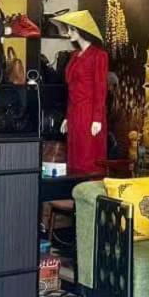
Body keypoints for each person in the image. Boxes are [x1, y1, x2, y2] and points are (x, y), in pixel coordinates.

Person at [52, 11, 108, 176]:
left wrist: (97, 119)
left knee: (88, 155)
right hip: (75, 112)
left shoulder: (99, 55)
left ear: (82, 31)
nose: (68, 33)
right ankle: (75, 188)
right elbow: (72, 89)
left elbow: (100, 88)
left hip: (89, 112)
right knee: (74, 155)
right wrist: (67, 117)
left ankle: (89, 187)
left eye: (72, 29)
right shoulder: (75, 56)